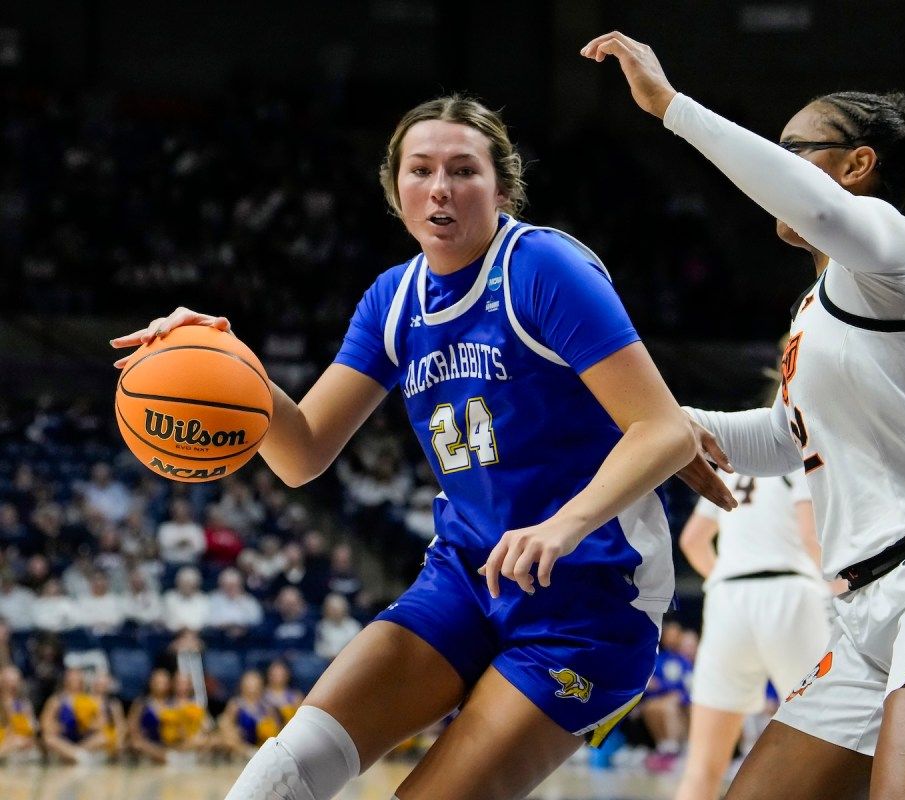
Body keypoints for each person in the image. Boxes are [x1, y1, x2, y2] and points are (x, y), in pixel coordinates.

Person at [111, 93, 734, 800]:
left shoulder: (542, 268)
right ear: (395, 186)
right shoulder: (392, 299)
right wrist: (229, 365)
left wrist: (563, 525)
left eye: (463, 171)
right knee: (280, 775)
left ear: (502, 187)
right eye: (421, 170)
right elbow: (300, 453)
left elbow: (664, 428)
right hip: (464, 579)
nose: (440, 188)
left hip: (589, 602)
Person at [584, 31, 905, 800]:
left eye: (793, 149)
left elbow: (813, 204)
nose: (776, 168)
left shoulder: (896, 253)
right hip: (861, 607)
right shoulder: (815, 310)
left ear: (856, 165)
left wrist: (671, 108)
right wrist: (671, 424)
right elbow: (783, 438)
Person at [674, 467, 831, 800]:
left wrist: (729, 578)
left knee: (701, 769)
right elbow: (809, 536)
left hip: (727, 598)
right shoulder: (801, 453)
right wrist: (840, 589)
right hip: (791, 593)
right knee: (825, 746)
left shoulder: (732, 466)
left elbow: (692, 541)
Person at [219, 670, 283, 761]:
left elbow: (278, 728)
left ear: (261, 686)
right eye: (249, 684)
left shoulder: (268, 706)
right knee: (227, 738)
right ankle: (249, 752)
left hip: (262, 744)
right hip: (243, 746)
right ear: (242, 686)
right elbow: (224, 724)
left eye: (255, 684)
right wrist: (233, 732)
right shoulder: (236, 705)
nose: (252, 688)